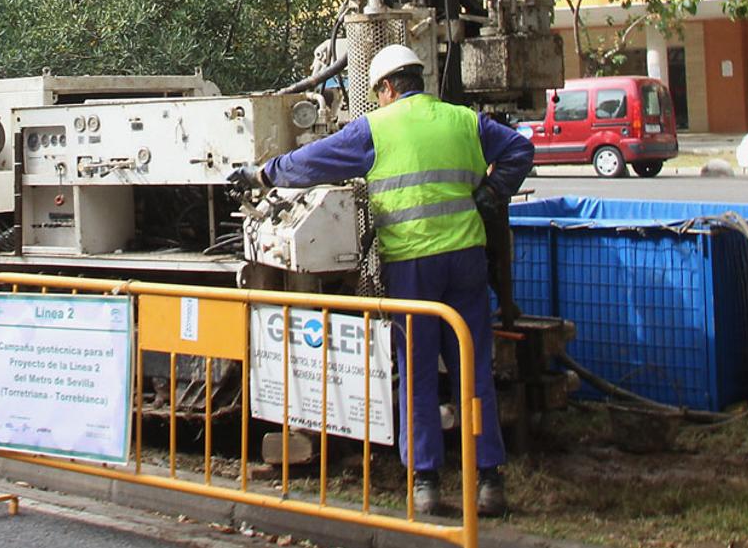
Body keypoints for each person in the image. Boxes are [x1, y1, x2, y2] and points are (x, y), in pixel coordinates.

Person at [228, 45, 534, 517]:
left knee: (416, 374)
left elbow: (309, 161)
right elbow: (520, 148)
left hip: (413, 266)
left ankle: (426, 482)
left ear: (387, 88)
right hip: (467, 260)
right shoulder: (463, 121)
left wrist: (262, 172)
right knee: (473, 370)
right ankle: (489, 479)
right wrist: (494, 192)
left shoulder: (376, 128)